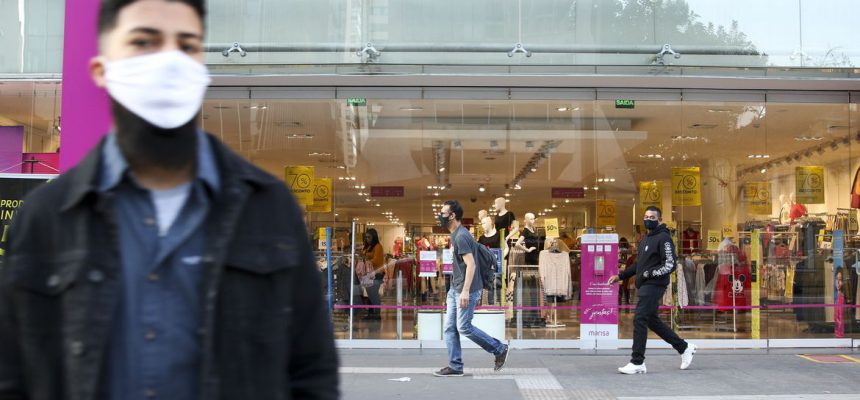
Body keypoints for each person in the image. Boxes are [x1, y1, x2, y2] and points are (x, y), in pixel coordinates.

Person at [0, 1, 339, 398]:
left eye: (187, 44)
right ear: (101, 69)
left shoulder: (266, 206)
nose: (168, 61)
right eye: (144, 41)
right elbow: (14, 376)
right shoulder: (47, 216)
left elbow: (311, 370)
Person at [608, 206, 696, 374]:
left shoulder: (664, 238)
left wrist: (650, 273)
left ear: (659, 219)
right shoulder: (645, 240)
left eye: (652, 217)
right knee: (651, 320)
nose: (648, 219)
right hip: (645, 284)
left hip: (655, 285)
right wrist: (621, 276)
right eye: (646, 216)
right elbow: (639, 265)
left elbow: (670, 264)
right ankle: (684, 347)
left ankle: (637, 361)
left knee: (639, 318)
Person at [434, 200, 509, 377]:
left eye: (443, 213)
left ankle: (499, 348)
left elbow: (471, 265)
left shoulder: (461, 236)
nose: (440, 216)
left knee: (464, 327)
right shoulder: (456, 235)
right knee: (450, 328)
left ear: (452, 216)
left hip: (466, 289)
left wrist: (466, 291)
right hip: (456, 288)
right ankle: (455, 366)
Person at [362, 228, 385, 320]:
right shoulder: (368, 246)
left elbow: (377, 261)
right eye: (366, 237)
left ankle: (377, 314)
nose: (367, 239)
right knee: (369, 294)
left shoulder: (378, 246)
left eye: (369, 237)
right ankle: (371, 313)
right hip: (368, 273)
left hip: (376, 273)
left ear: (374, 237)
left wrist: (366, 258)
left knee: (373, 294)